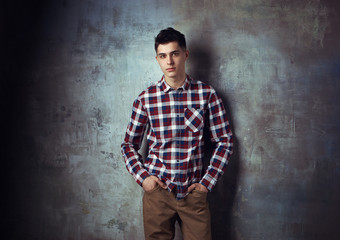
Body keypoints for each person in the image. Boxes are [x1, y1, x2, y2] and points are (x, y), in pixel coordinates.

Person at [121, 27, 233, 240]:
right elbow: (128, 145)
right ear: (157, 59)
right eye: (163, 56)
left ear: (185, 54)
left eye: (174, 53)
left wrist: (206, 184)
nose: (169, 61)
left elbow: (225, 142)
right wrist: (145, 179)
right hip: (158, 195)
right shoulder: (146, 99)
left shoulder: (206, 95)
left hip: (194, 194)